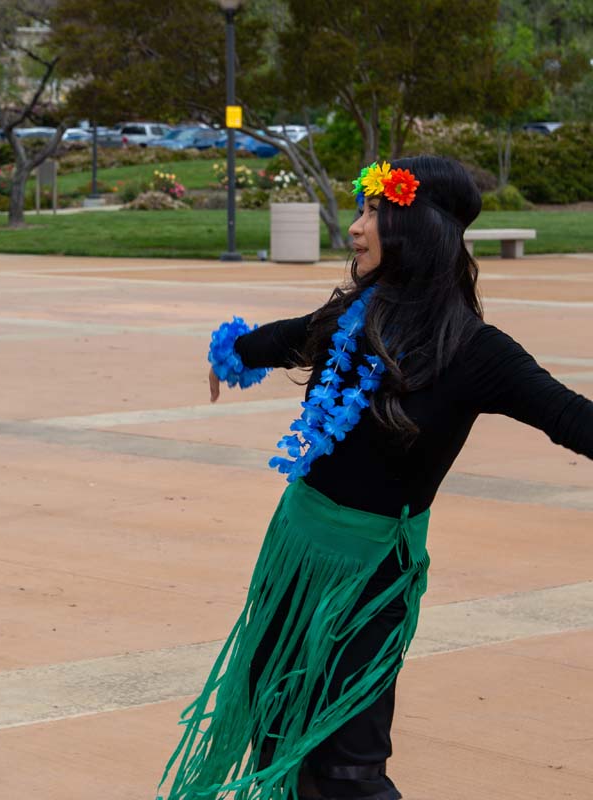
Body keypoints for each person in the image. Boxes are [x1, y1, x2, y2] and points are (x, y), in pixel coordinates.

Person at [156, 155, 593, 799]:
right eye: (360, 211)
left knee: (348, 759)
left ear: (417, 230)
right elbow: (287, 338)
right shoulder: (353, 319)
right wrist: (231, 353)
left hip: (370, 578)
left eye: (373, 213)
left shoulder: (476, 351)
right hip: (296, 554)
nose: (356, 228)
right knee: (277, 725)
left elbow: (570, 417)